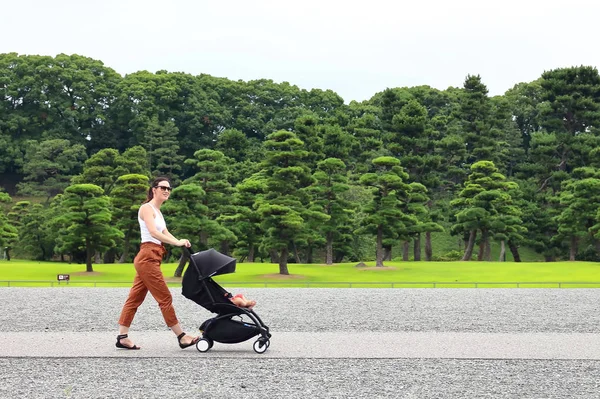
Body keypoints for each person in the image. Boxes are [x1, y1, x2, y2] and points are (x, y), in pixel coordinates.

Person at [116, 177, 199, 350]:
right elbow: (153, 232)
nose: (167, 191)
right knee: (165, 297)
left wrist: (180, 241)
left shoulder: (158, 212)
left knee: (135, 297)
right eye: (163, 188)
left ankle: (122, 337)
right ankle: (181, 336)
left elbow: (165, 232)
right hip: (147, 256)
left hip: (153, 256)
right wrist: (175, 243)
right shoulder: (146, 208)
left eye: (169, 188)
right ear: (154, 189)